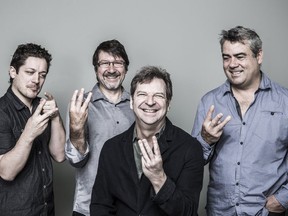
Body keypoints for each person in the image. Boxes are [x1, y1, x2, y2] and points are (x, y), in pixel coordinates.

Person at [191, 26, 288, 216]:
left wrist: (283, 199)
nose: (232, 64)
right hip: (220, 211)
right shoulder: (209, 101)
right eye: (226, 57)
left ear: (258, 56)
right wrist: (205, 140)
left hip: (266, 212)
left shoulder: (285, 102)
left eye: (240, 56)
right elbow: (193, 163)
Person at [90, 66, 204, 215]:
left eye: (158, 96)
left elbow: (188, 211)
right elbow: (100, 206)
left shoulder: (190, 148)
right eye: (142, 94)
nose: (150, 102)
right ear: (131, 101)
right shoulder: (111, 148)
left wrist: (159, 179)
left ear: (168, 104)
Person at [65, 39, 135, 216]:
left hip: (129, 206)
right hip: (88, 207)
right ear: (96, 68)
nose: (111, 69)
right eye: (104, 63)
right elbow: (76, 161)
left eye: (118, 63)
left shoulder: (139, 105)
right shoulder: (80, 105)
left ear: (126, 68)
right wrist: (77, 129)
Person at [0, 43, 65, 216]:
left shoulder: (42, 106)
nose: (36, 80)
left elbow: (59, 155)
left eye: (42, 75)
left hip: (46, 209)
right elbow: (6, 172)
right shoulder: (1, 112)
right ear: (13, 72)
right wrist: (29, 133)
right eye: (30, 72)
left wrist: (55, 117)